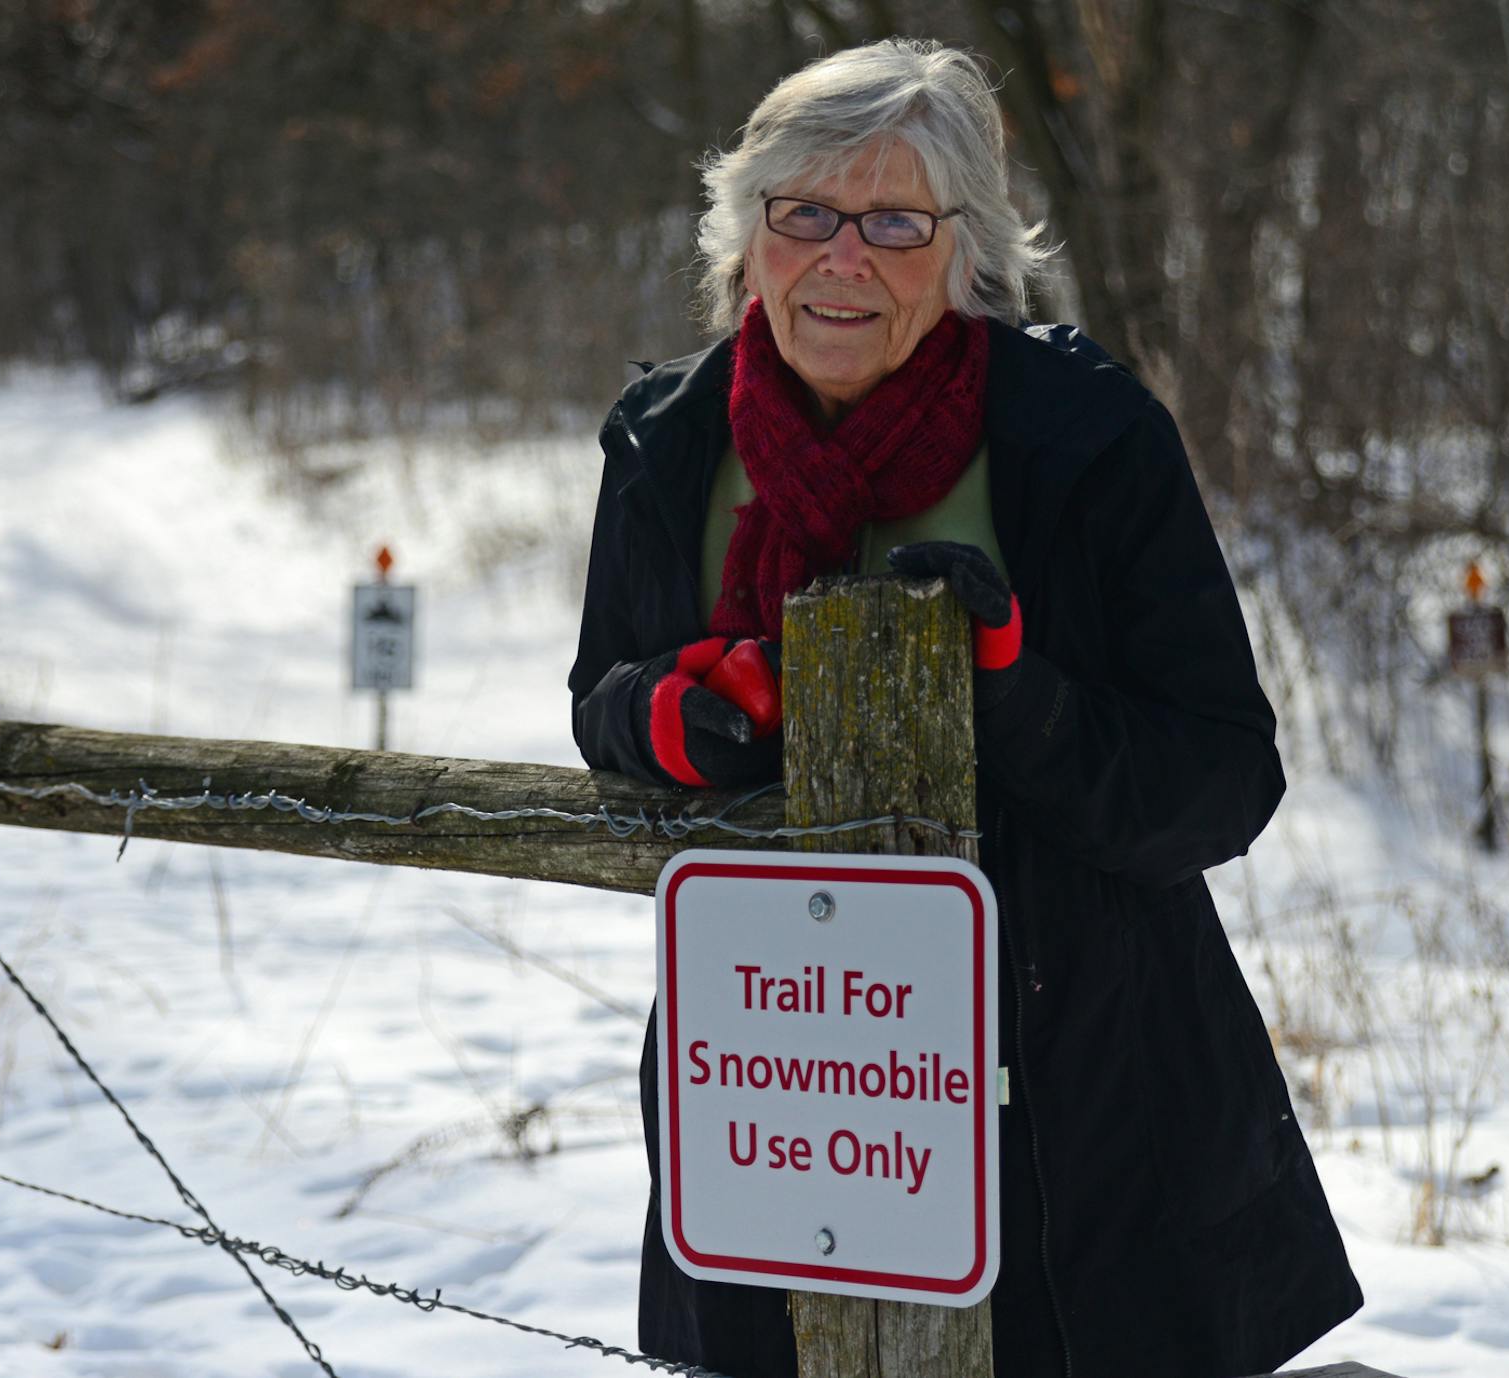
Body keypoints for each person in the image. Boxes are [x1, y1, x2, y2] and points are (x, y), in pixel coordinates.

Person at [568, 37, 1363, 1378]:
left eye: (895, 222)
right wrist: (671, 711)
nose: (842, 258)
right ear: (746, 234)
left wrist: (1013, 697)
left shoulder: (1085, 437)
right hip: (783, 1098)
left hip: (1081, 1123)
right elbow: (602, 705)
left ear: (968, 250)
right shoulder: (668, 442)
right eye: (804, 214)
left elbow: (1225, 778)